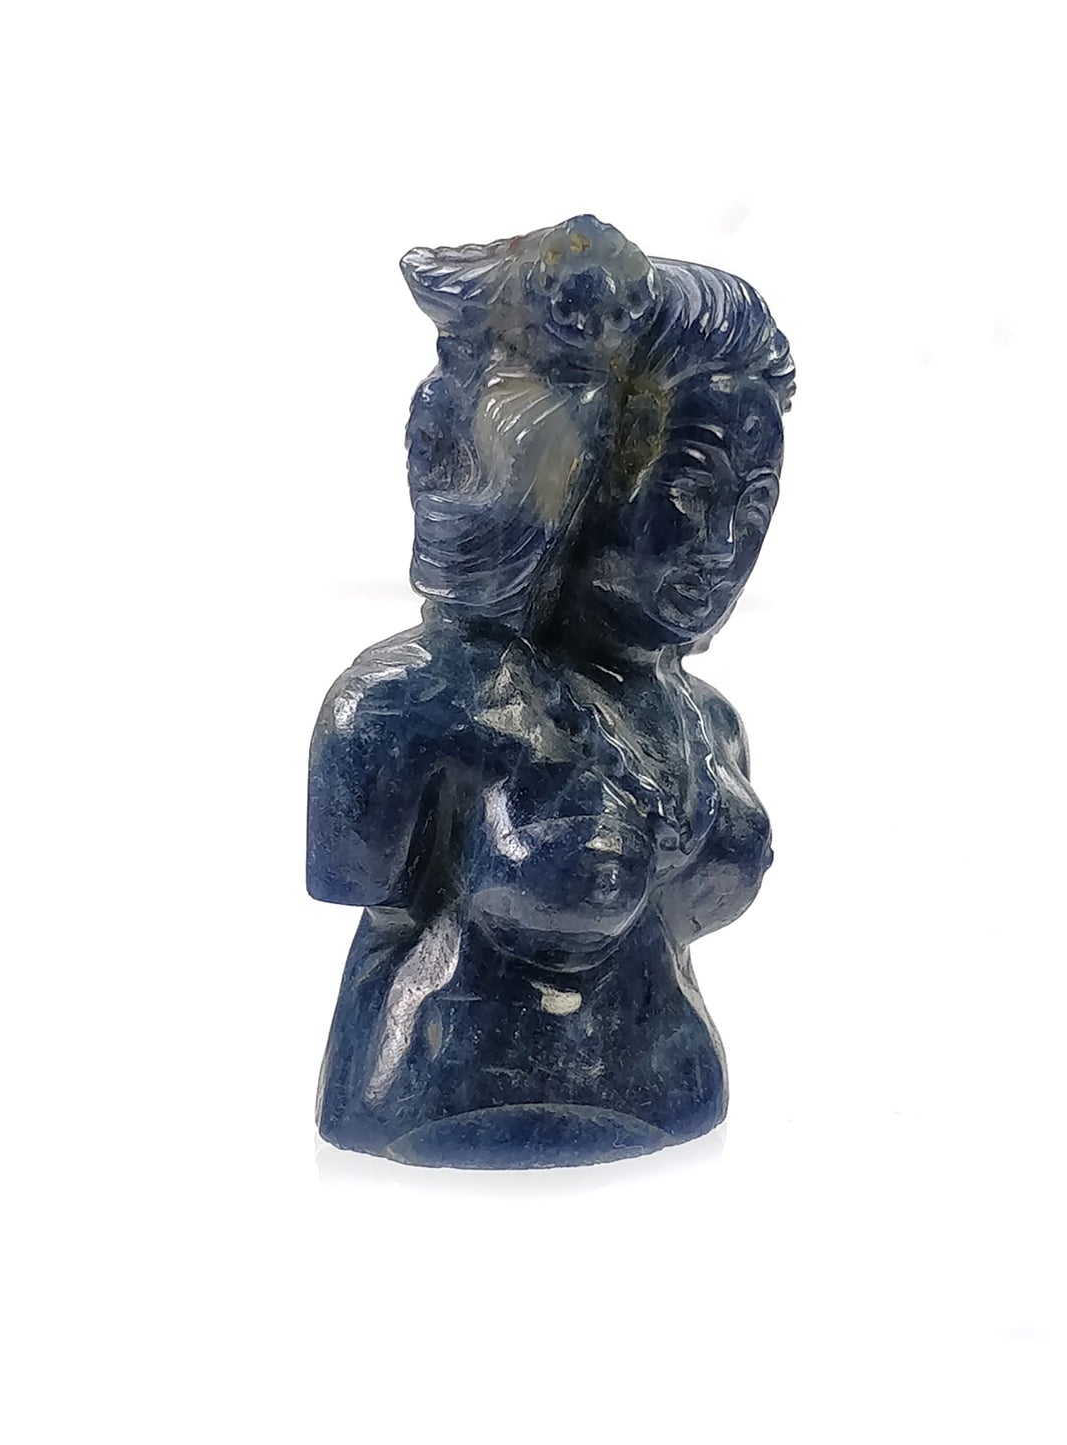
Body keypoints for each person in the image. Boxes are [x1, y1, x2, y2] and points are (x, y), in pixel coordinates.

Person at [307, 215, 794, 1167]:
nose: (723, 546)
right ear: (573, 485)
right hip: (430, 1113)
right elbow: (353, 880)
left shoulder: (708, 722)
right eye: (688, 495)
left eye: (755, 502)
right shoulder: (409, 704)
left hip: (684, 1117)